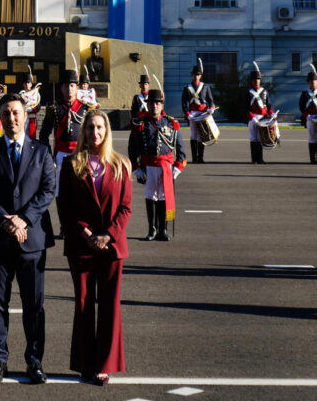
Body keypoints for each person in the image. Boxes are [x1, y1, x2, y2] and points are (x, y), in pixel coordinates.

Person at [0, 93, 56, 384]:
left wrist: (23, 218)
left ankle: (34, 362)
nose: (12, 118)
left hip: (32, 239)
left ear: (26, 115)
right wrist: (5, 219)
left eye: (16, 113)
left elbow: (48, 189)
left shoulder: (42, 151)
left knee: (34, 305)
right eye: (6, 113)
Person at [57, 110, 132, 386]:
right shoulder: (70, 165)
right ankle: (86, 363)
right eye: (90, 128)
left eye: (100, 127)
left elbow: (125, 208)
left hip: (112, 247)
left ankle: (105, 364)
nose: (95, 133)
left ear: (107, 130)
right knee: (84, 304)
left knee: (110, 305)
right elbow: (64, 207)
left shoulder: (122, 164)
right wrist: (87, 233)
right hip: (81, 245)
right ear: (83, 131)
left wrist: (107, 236)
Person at [128, 89, 186, 241]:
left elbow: (180, 149)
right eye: (151, 103)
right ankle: (151, 230)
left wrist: (178, 168)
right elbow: (132, 148)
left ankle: (163, 230)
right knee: (151, 197)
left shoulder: (171, 123)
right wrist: (136, 169)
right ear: (147, 105)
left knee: (163, 197)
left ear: (161, 105)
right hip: (148, 167)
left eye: (157, 103)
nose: (154, 106)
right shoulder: (140, 124)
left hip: (166, 168)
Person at [39, 69, 89, 205]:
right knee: (61, 191)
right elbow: (44, 135)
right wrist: (49, 157)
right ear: (61, 88)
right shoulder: (54, 108)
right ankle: (64, 224)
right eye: (66, 86)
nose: (69, 89)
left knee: (81, 188)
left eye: (72, 86)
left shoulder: (85, 108)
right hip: (60, 155)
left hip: (80, 153)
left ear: (77, 88)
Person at [181, 61, 215, 164]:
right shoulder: (187, 88)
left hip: (203, 114)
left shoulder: (205, 87)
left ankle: (200, 157)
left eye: (198, 75)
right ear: (192, 75)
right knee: (193, 135)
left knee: (202, 135)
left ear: (200, 76)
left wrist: (211, 108)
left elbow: (210, 101)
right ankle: (194, 158)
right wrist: (188, 114)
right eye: (195, 74)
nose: (196, 76)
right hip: (193, 114)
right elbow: (184, 103)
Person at [245, 63, 273, 165]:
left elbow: (268, 105)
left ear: (260, 80)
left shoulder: (264, 91)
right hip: (252, 117)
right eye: (254, 80)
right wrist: (252, 118)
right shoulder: (248, 92)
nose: (256, 81)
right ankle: (254, 159)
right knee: (253, 138)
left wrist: (271, 114)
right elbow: (246, 107)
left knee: (261, 138)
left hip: (262, 118)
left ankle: (260, 159)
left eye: (258, 79)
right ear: (252, 81)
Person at [299, 66, 317, 164]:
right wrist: (308, 116)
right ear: (308, 83)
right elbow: (302, 107)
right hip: (310, 118)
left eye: (314, 81)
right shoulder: (305, 94)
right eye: (310, 81)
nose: (312, 83)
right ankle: (312, 159)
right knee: (312, 138)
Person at [19, 71, 41, 139]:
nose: (27, 85)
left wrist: (31, 110)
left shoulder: (35, 94)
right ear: (23, 84)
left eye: (28, 83)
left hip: (32, 118)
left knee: (32, 138)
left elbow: (38, 106)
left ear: (31, 84)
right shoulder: (21, 94)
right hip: (23, 118)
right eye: (25, 83)